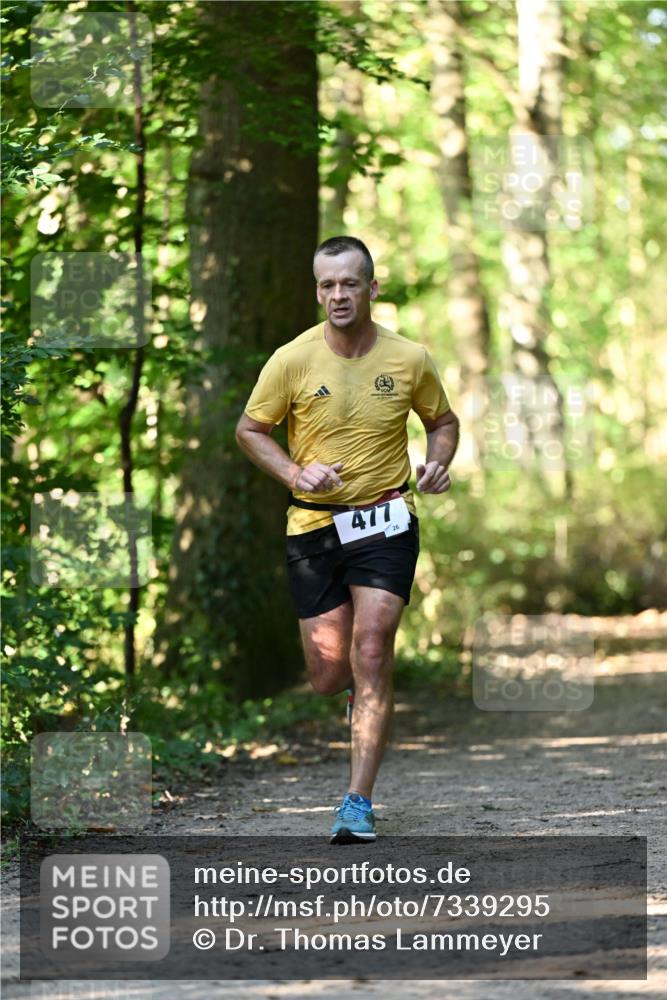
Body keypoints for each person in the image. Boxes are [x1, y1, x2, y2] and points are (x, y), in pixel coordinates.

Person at [235, 236, 459, 844]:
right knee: (332, 675)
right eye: (327, 285)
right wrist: (292, 471)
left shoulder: (408, 358)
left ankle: (357, 801)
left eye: (349, 283)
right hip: (313, 525)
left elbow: (442, 421)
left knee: (371, 648)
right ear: (317, 291)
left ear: (371, 288)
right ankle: (358, 703)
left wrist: (438, 461)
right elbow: (250, 430)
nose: (338, 295)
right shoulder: (292, 359)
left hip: (386, 521)